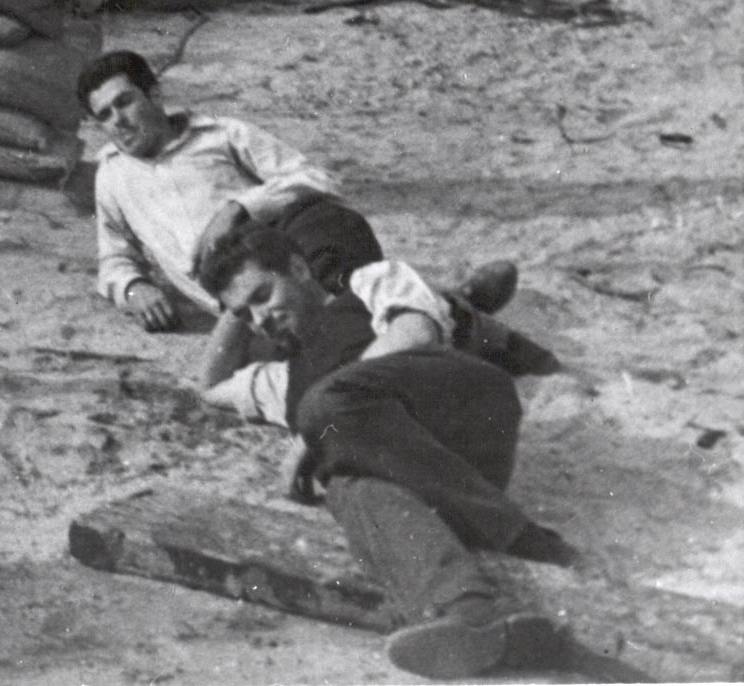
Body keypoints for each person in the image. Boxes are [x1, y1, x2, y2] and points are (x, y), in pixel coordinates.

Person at [194, 223, 577, 680]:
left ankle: (521, 537)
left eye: (262, 296)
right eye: (246, 314)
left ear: (298, 268)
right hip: (430, 491)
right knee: (348, 490)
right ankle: (470, 614)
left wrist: (317, 426)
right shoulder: (284, 380)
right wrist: (234, 311)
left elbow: (415, 335)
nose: (260, 319)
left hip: (469, 420)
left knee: (323, 411)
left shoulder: (370, 284)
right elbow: (212, 386)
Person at [75, 51, 542, 374]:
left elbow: (314, 178)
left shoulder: (219, 134)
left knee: (332, 236)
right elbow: (114, 257)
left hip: (286, 250)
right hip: (234, 294)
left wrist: (239, 207)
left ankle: (442, 320)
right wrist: (133, 289)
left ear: (154, 95)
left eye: (125, 101)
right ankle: (458, 311)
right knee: (331, 332)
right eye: (104, 115)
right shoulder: (113, 177)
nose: (118, 121)